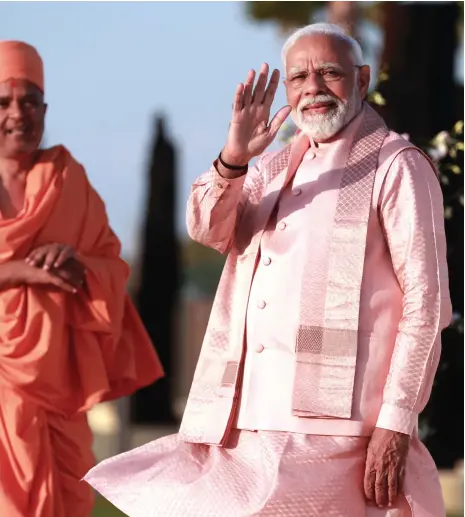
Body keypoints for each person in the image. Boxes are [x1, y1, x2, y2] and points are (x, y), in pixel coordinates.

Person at [85, 23, 451, 517]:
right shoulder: (268, 167)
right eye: (298, 77)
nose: (313, 88)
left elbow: (426, 307)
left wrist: (396, 420)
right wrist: (234, 157)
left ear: (362, 80)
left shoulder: (396, 165)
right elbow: (205, 227)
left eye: (329, 73)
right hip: (241, 419)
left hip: (336, 433)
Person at [0, 40, 164, 517]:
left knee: (69, 496)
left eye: (29, 101)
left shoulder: (66, 179)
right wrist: (18, 271)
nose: (17, 114)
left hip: (59, 382)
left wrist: (77, 267)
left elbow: (112, 266)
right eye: (4, 102)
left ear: (45, 109)